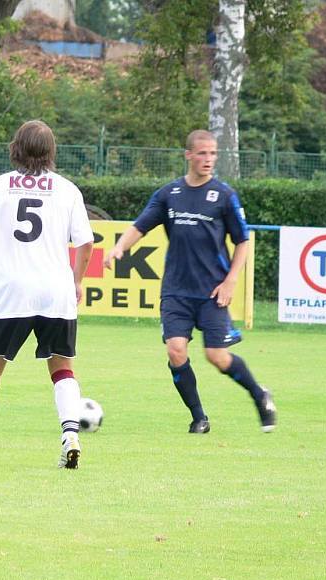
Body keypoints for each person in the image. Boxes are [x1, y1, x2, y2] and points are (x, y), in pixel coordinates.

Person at [104, 129, 276, 434]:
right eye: (202, 153)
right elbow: (140, 226)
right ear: (189, 156)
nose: (208, 159)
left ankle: (259, 395)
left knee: (217, 357)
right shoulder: (169, 194)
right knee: (176, 351)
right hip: (176, 291)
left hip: (212, 291)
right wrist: (119, 247)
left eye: (213, 154)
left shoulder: (224, 196)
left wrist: (231, 281)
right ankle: (199, 417)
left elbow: (243, 242)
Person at [0, 120, 94, 468]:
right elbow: (86, 242)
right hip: (55, 290)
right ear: (51, 151)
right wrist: (76, 281)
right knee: (63, 368)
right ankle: (70, 435)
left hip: (12, 290)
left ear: (15, 147)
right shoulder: (67, 190)